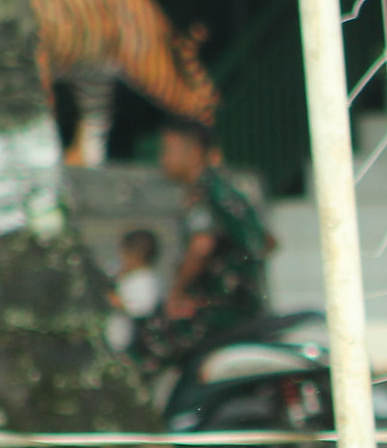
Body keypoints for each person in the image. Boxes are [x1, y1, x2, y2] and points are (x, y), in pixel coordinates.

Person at [137, 120, 272, 371]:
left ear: (195, 152)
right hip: (248, 307)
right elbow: (267, 241)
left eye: (168, 150)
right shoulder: (230, 193)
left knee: (148, 345)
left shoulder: (203, 195)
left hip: (219, 313)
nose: (162, 159)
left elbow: (201, 245)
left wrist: (177, 292)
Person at [106, 226, 162, 356]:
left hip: (130, 347)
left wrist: (112, 298)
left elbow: (141, 310)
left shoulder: (147, 281)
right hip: (113, 342)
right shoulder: (121, 273)